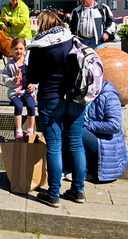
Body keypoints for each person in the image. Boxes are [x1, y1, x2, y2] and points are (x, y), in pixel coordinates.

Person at [27, 11, 87, 207]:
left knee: (54, 147)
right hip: (76, 97)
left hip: (50, 98)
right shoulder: (72, 39)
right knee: (76, 143)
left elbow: (33, 78)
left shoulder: (39, 46)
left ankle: (53, 194)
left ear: (41, 25)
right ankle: (78, 191)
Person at [65, 81, 127, 183]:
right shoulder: (80, 94)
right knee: (65, 127)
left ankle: (84, 171)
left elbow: (114, 126)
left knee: (74, 130)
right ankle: (70, 166)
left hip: (105, 142)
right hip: (91, 136)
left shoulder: (109, 96)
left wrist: (86, 125)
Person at [3, 37, 36, 139]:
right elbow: (4, 78)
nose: (18, 51)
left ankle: (30, 130)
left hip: (27, 92)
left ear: (25, 50)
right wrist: (13, 80)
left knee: (31, 105)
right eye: (16, 49)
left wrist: (34, 86)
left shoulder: (29, 64)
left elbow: (35, 77)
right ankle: (18, 130)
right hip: (15, 93)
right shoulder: (10, 65)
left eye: (21, 49)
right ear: (12, 50)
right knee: (18, 106)